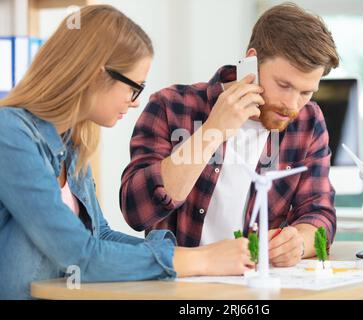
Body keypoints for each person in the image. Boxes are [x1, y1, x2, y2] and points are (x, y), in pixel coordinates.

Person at [0, 5, 254, 300]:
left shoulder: (71, 145)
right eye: (135, 87)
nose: (135, 102)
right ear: (97, 75)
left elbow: (100, 237)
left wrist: (194, 257)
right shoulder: (10, 134)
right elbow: (80, 256)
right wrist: (200, 261)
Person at [120, 3, 339, 268]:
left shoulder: (308, 121)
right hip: (183, 288)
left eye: (306, 93)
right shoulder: (170, 106)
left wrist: (300, 242)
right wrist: (213, 130)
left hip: (261, 289)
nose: (292, 106)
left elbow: (319, 214)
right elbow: (136, 212)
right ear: (251, 61)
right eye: (283, 85)